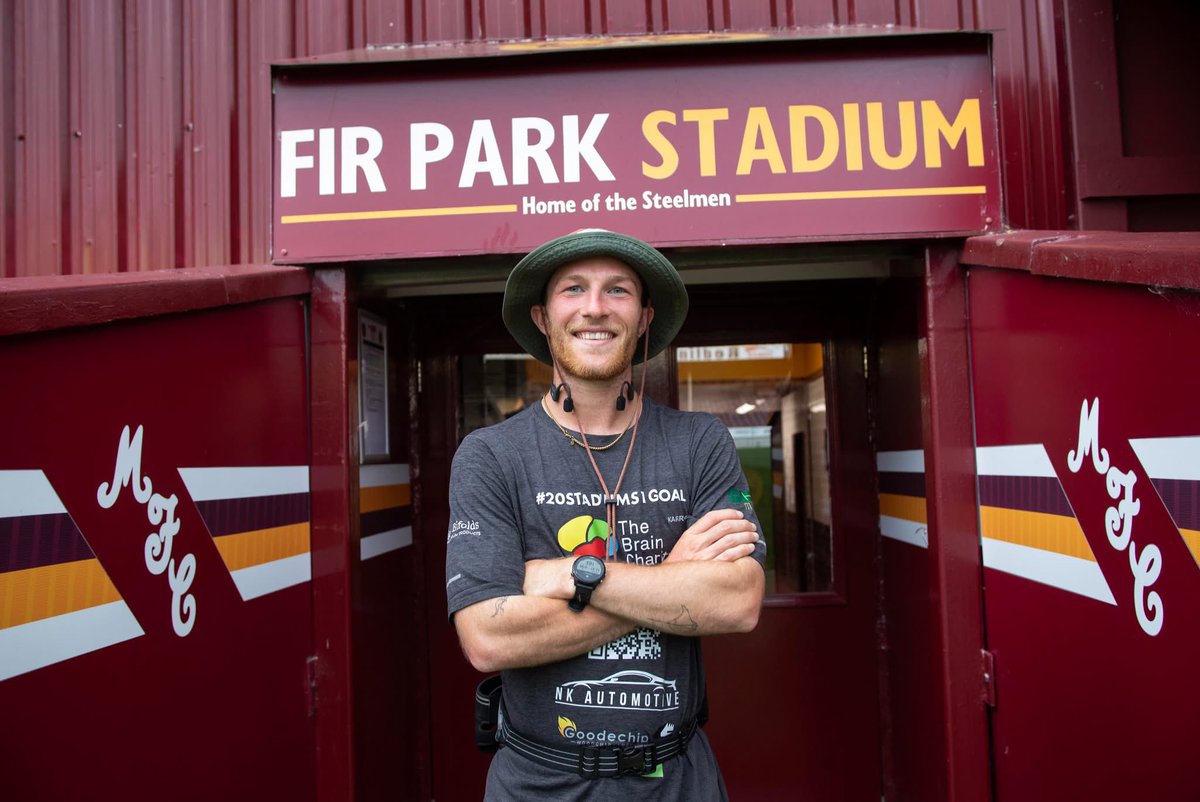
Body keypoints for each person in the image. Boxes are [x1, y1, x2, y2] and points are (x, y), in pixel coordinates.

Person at [446, 229, 766, 801]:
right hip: (539, 784)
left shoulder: (701, 443)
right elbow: (487, 639)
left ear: (643, 318)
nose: (595, 307)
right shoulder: (491, 455)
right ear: (544, 318)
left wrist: (560, 574)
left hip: (678, 781)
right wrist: (675, 579)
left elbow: (738, 603)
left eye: (617, 290)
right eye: (574, 289)